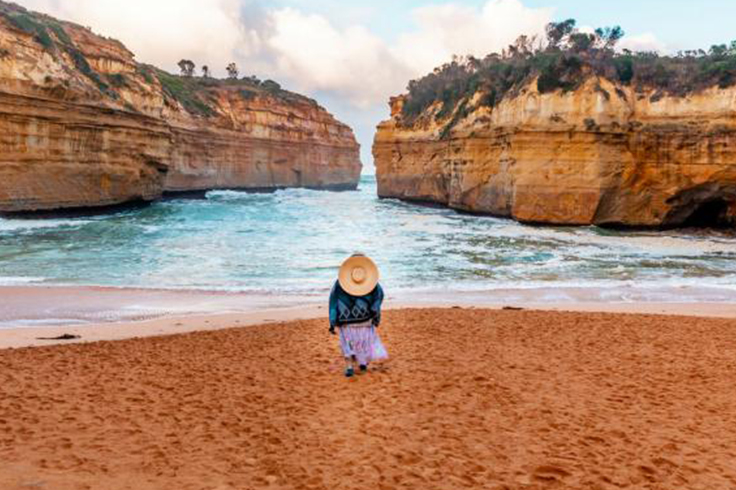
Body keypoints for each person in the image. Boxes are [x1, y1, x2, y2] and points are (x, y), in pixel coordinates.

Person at [329, 254, 388, 377]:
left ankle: (350, 367)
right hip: (365, 321)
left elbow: (333, 302)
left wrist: (333, 321)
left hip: (346, 323)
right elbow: (379, 297)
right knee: (364, 343)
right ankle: (363, 364)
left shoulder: (339, 284)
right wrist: (374, 313)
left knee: (347, 344)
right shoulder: (373, 284)